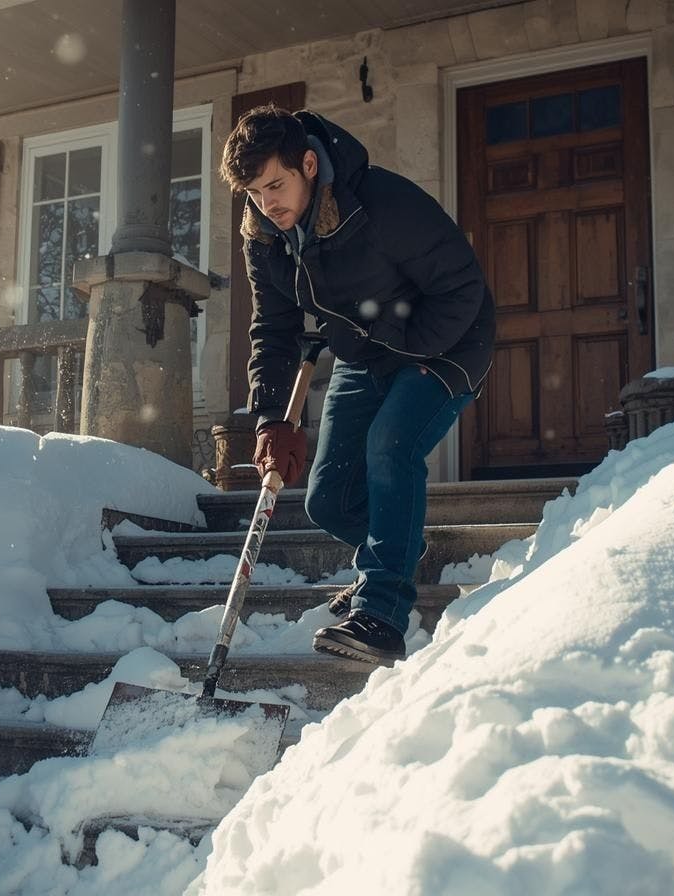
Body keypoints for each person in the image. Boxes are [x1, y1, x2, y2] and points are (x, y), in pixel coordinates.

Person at [220, 105, 495, 666]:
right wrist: (271, 418)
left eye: (276, 184)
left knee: (390, 446)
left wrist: (417, 350)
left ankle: (384, 613)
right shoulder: (265, 237)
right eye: (254, 192)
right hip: (363, 352)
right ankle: (395, 555)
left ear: (308, 164)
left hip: (443, 344)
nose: (268, 203)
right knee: (328, 500)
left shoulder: (380, 202)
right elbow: (272, 328)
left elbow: (462, 285)